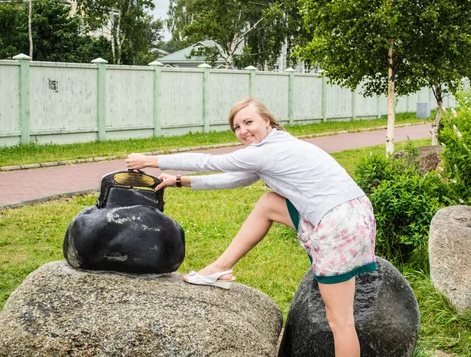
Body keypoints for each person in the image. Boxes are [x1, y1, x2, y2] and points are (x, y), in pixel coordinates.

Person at [125, 96, 376, 357]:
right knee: (269, 203)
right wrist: (179, 181)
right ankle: (221, 267)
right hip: (354, 215)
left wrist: (150, 160)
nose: (243, 131)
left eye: (249, 122)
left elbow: (210, 162)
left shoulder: (267, 151)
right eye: (237, 127)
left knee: (340, 322)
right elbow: (237, 180)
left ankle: (220, 268)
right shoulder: (277, 145)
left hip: (337, 225)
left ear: (266, 120)